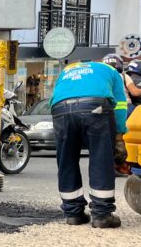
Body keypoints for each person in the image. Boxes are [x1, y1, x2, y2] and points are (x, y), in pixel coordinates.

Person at [50, 60, 128, 229]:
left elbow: (55, 95)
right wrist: (120, 133)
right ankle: (101, 215)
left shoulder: (68, 69)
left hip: (60, 110)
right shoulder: (111, 71)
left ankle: (73, 214)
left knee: (66, 160)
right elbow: (121, 105)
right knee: (100, 158)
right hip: (95, 107)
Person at [102, 54, 132, 177]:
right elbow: (133, 91)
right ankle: (120, 166)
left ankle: (112, 166)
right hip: (123, 109)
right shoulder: (123, 76)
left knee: (106, 141)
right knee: (119, 140)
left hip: (103, 110)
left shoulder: (102, 76)